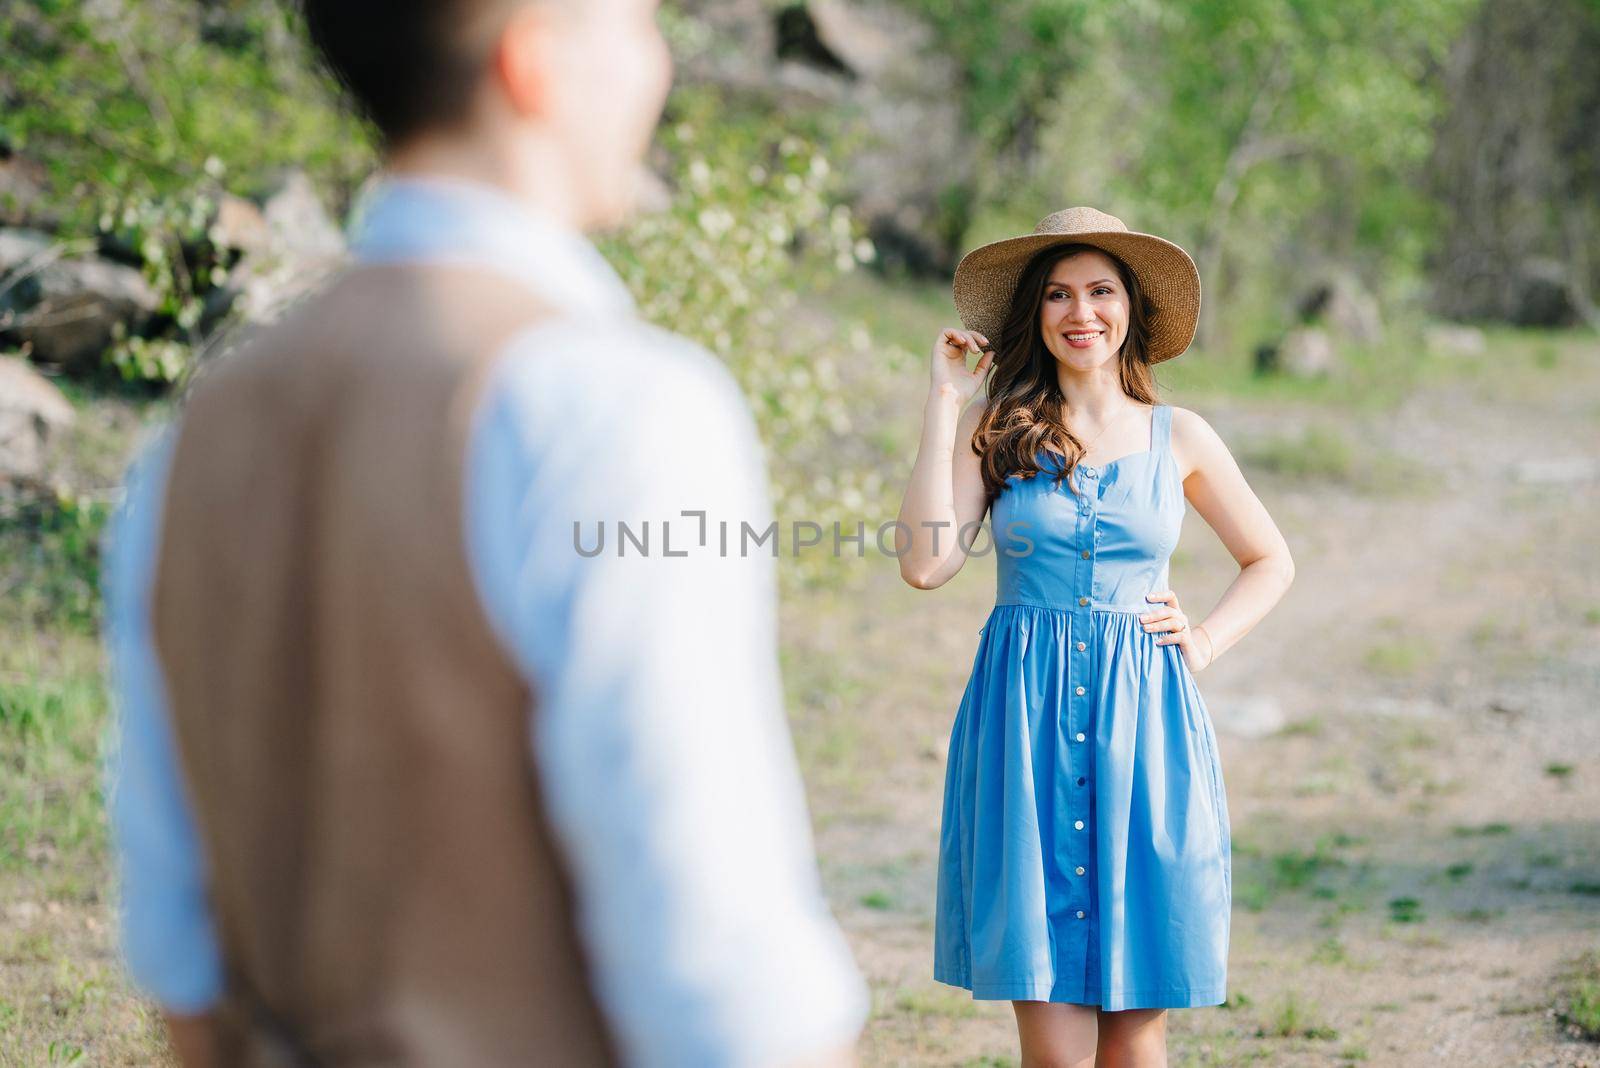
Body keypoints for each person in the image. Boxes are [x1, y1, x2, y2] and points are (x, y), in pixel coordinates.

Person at [101, 0, 869, 1064]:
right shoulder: (612, 407)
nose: (659, 69)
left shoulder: (192, 438)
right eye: (638, 25)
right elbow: (717, 968)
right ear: (534, 63)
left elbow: (180, 960)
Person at [895, 207, 1295, 1067]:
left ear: (1131, 310)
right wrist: (943, 401)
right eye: (1059, 295)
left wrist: (1206, 642)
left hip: (1144, 733)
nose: (1083, 312)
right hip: (1025, 732)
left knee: (1139, 1041)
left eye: (1102, 291)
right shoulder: (996, 426)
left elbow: (1269, 560)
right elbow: (927, 564)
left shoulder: (1178, 436)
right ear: (1037, 317)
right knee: (1055, 1045)